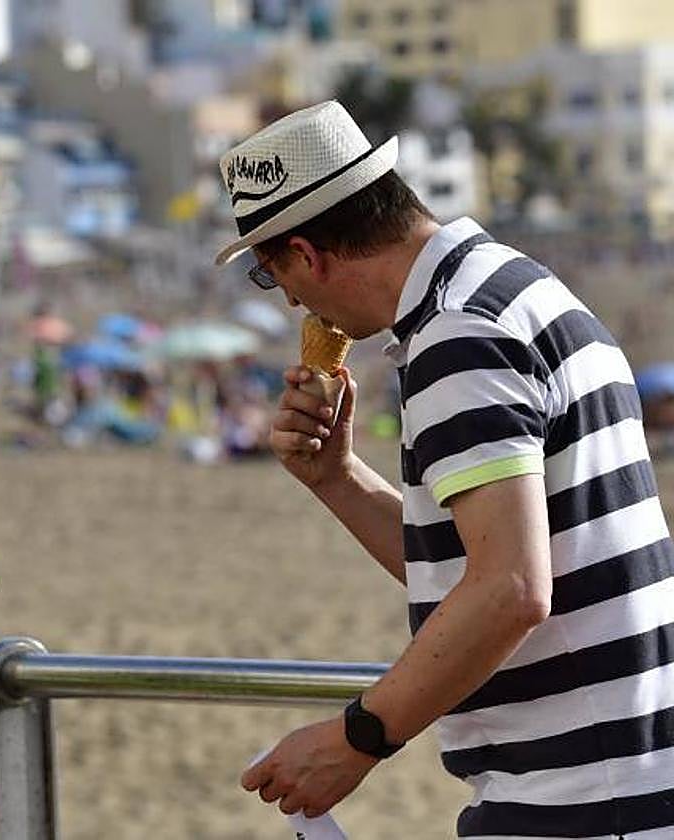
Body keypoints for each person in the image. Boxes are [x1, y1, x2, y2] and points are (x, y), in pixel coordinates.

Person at [215, 101, 674, 837]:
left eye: (273, 277)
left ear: (307, 254)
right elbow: (493, 562)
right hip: (619, 776)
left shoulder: (457, 334)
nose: (293, 301)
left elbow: (513, 589)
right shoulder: (511, 287)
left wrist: (355, 740)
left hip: (586, 797)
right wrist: (338, 478)